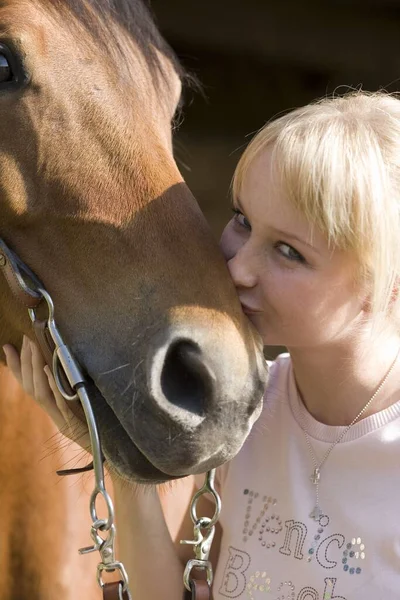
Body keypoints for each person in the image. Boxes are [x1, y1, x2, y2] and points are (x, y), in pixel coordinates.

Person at [4, 89, 400, 599]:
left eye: (288, 252)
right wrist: (119, 457)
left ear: (387, 284)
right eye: (242, 220)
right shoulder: (246, 407)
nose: (237, 267)